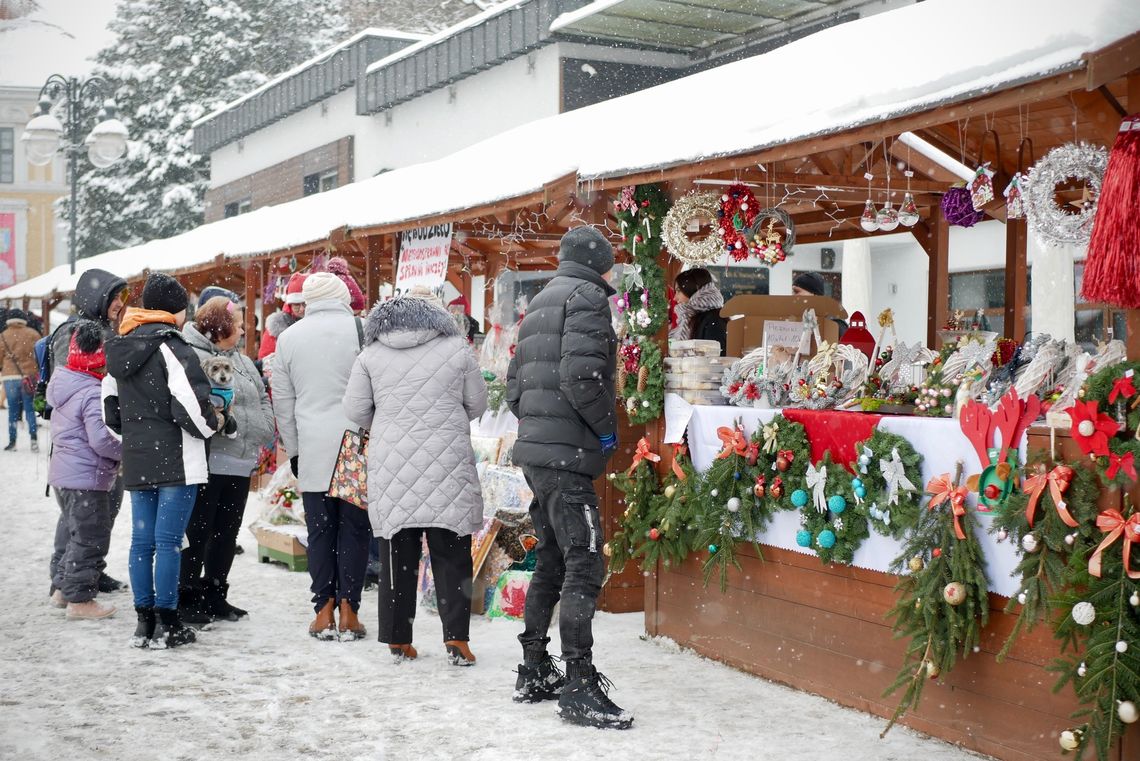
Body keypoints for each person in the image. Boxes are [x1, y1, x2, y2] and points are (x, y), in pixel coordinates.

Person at [505, 226, 632, 729]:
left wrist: (535, 424)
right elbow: (584, 377)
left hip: (540, 452)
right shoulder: (587, 298)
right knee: (584, 562)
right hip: (567, 455)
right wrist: (604, 430)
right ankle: (579, 684)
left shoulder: (541, 299)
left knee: (553, 558)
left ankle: (534, 667)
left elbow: (516, 384)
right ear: (600, 264)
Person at [344, 287, 487, 665]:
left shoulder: (370, 355)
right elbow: (477, 403)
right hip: (447, 458)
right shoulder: (457, 349)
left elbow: (356, 409)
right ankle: (456, 639)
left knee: (397, 551)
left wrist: (390, 420)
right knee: (452, 550)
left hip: (392, 461)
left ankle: (397, 638)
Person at [103, 273, 223, 649]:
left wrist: (135, 439)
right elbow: (192, 407)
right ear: (174, 311)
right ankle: (168, 623)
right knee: (169, 542)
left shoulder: (120, 347)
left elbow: (111, 410)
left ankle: (144, 622)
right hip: (177, 459)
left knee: (142, 542)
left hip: (139, 459)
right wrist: (214, 424)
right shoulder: (173, 347)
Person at [272, 272, 371, 641]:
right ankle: (350, 610)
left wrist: (294, 449)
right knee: (355, 530)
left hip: (311, 443)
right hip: (354, 443)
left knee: (320, 531)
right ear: (343, 295)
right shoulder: (360, 330)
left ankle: (322, 610)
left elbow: (284, 403)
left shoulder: (288, 338)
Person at [179, 292, 275, 624]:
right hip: (210, 459)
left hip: (241, 459)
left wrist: (263, 428)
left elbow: (262, 396)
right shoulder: (193, 357)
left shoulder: (242, 360)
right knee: (200, 530)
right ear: (220, 328)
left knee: (226, 534)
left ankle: (216, 594)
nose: (242, 329)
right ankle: (188, 596)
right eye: (235, 323)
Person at [47, 268, 130, 597]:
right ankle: (65, 579)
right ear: (98, 297)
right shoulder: (77, 332)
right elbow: (74, 382)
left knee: (101, 511)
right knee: (82, 516)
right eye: (115, 297)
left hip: (100, 435)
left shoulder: (103, 329)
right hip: (85, 442)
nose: (120, 304)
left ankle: (89, 571)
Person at [1, 309, 42, 452]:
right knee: (30, 409)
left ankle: (12, 442)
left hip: (10, 377)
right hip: (28, 377)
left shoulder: (3, 335)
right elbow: (39, 355)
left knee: (12, 410)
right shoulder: (33, 334)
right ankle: (34, 440)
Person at [670, 268, 727, 354]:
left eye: (678, 291)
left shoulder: (714, 319)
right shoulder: (690, 317)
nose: (675, 298)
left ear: (693, 289)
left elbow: (714, 359)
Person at [258, 272, 306, 361]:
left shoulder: (319, 321)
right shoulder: (277, 325)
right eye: (296, 305)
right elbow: (265, 359)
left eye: (305, 304)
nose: (302, 309)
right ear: (290, 305)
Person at [791, 271, 848, 336]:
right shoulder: (794, 320)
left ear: (814, 295)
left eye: (796, 291)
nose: (792, 296)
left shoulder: (835, 324)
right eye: (793, 292)